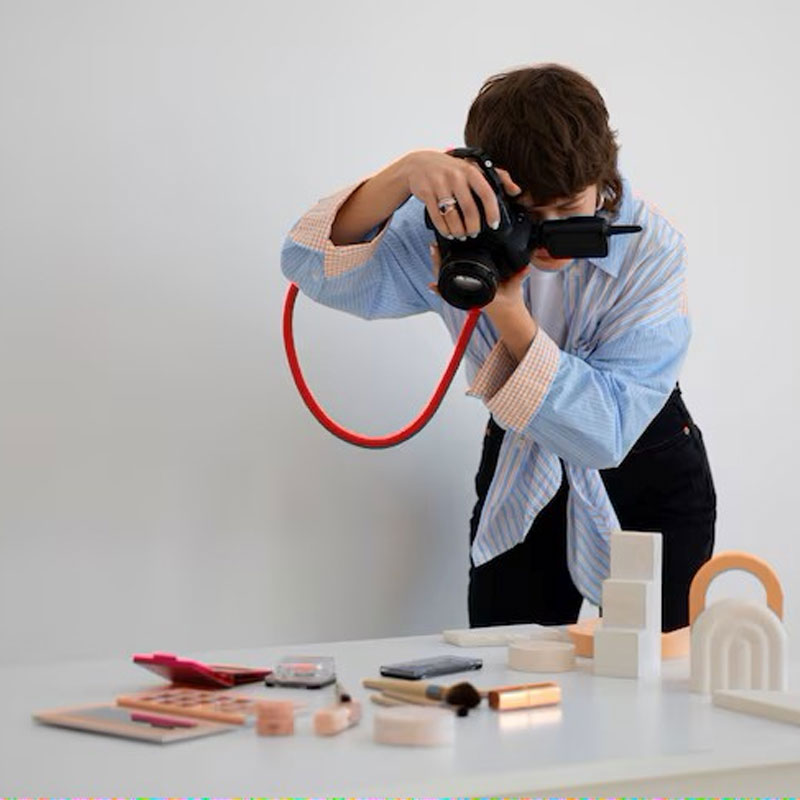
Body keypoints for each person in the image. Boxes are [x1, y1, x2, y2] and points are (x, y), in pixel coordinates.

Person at [281, 63, 716, 632]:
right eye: (530, 215)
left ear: (603, 178)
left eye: (569, 209)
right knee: (505, 664)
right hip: (520, 453)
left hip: (647, 458)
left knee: (658, 666)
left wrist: (508, 313)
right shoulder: (455, 225)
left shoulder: (652, 247)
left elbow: (605, 433)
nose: (549, 233)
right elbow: (309, 266)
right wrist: (404, 173)